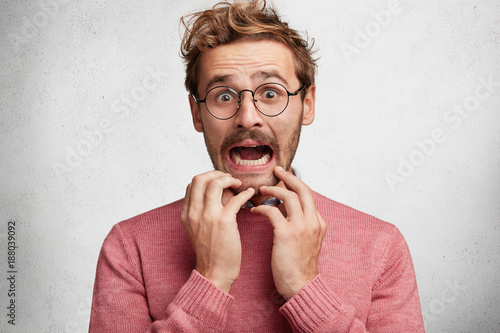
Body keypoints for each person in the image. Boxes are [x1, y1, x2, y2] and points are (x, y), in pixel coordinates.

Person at [89, 1, 425, 332]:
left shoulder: (381, 246)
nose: (247, 117)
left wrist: (304, 287)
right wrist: (211, 279)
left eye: (270, 93)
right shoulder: (128, 247)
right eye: (223, 96)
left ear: (306, 105)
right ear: (197, 114)